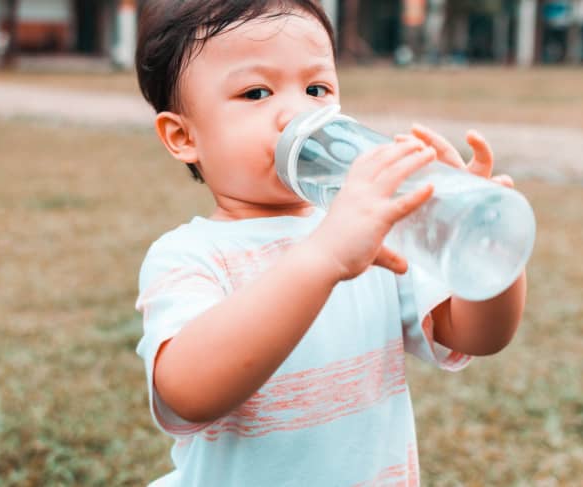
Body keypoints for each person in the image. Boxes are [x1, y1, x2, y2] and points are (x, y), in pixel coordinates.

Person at [133, 1, 526, 485]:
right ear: (183, 136)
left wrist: (480, 246)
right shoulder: (191, 256)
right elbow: (188, 391)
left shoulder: (370, 227)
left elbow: (476, 335)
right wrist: (324, 258)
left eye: (317, 88)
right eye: (257, 92)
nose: (298, 112)